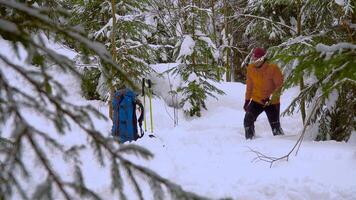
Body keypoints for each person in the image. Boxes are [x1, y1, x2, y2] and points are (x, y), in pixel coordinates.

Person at [243, 47, 284, 139]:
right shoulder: (250, 69)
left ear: (262, 59)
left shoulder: (273, 68)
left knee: (275, 127)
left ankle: (281, 146)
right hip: (257, 100)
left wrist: (271, 99)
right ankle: (250, 141)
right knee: (247, 121)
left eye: (257, 59)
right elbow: (249, 86)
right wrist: (247, 100)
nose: (255, 61)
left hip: (271, 103)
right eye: (253, 58)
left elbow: (279, 85)